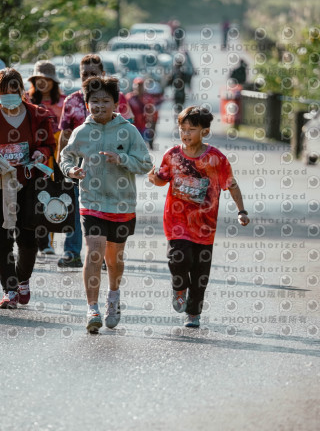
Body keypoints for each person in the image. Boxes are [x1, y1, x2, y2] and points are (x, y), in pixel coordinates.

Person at [60, 76, 153, 333]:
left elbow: (145, 163)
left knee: (114, 260)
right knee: (94, 252)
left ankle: (113, 296)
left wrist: (121, 158)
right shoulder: (82, 132)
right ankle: (92, 308)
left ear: (116, 103)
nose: (99, 106)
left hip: (122, 204)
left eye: (105, 101)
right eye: (94, 101)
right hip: (91, 201)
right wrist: (72, 171)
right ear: (87, 103)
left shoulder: (129, 131)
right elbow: (65, 157)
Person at [148, 106, 250, 328]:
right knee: (178, 258)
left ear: (204, 131)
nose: (186, 133)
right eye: (182, 128)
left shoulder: (216, 159)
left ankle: (194, 312)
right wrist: (153, 177)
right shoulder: (173, 155)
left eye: (192, 129)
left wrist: (241, 211)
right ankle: (179, 287)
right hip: (177, 221)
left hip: (205, 226)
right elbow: (160, 179)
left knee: (200, 272)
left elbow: (231, 184)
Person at [57, 54, 134, 268]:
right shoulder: (72, 101)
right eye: (85, 74)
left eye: (94, 73)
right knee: (76, 210)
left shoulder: (118, 100)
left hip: (110, 168)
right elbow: (64, 135)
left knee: (105, 212)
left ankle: (100, 255)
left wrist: (123, 160)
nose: (89, 78)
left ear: (103, 74)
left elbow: (130, 132)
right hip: (80, 168)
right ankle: (72, 252)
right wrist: (62, 167)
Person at [0, 68, 55, 308]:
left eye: (14, 89)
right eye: (4, 91)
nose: (9, 94)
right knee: (2, 240)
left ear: (22, 90)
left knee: (28, 238)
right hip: (1, 187)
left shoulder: (36, 115)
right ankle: (10, 290)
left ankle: (23, 279)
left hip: (28, 183)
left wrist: (40, 154)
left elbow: (48, 144)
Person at [27, 60, 66, 255]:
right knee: (34, 198)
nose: (43, 83)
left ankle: (48, 240)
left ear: (53, 81)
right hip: (33, 156)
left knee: (53, 196)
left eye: (47, 79)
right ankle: (35, 240)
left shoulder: (63, 101)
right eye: (39, 79)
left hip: (56, 156)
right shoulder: (26, 100)